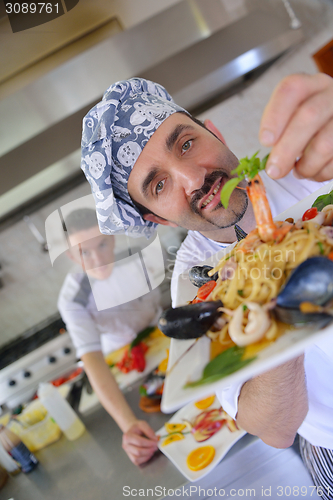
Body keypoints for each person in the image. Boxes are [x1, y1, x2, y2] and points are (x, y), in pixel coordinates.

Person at [80, 75, 333, 495]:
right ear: (156, 219)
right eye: (159, 185)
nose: (193, 179)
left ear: (212, 131)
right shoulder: (197, 281)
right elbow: (275, 430)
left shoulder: (316, 163)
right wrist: (271, 323)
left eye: (185, 144)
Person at [57, 207, 162, 465]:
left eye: (102, 244)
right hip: (125, 359)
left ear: (113, 238)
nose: (98, 259)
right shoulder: (73, 298)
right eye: (84, 252)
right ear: (72, 256)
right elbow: (91, 358)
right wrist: (129, 425)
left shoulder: (140, 260)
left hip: (162, 335)